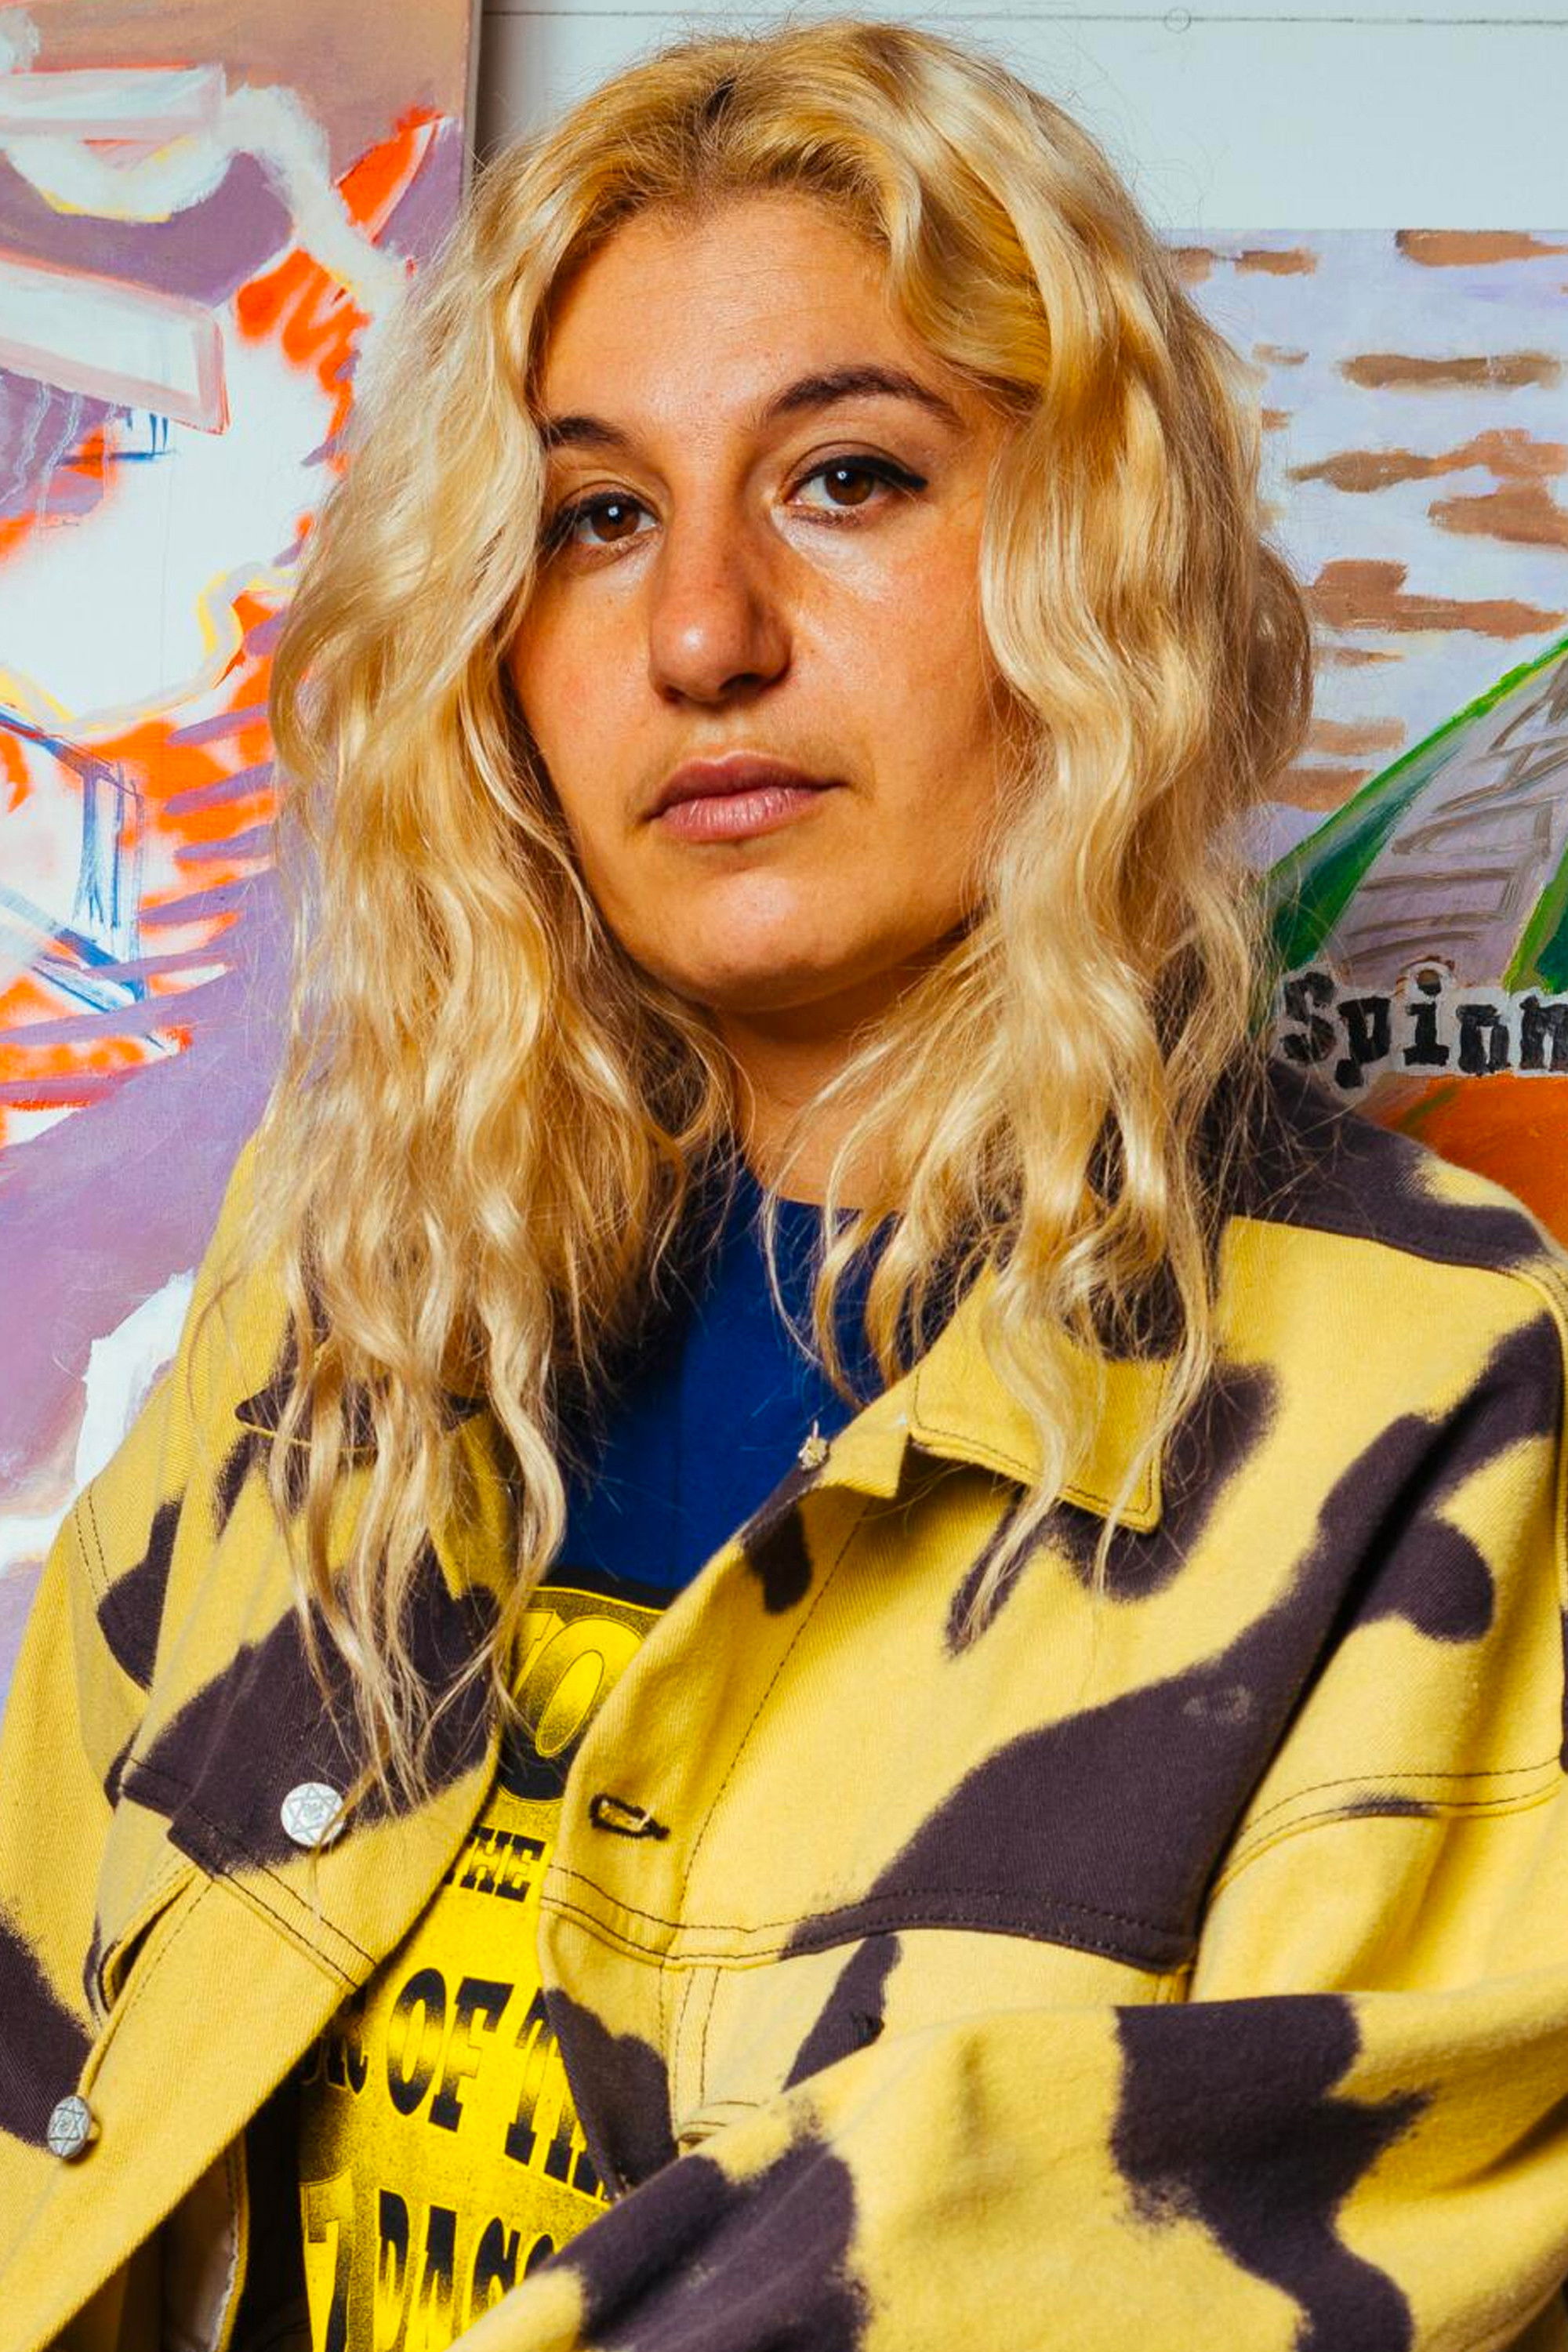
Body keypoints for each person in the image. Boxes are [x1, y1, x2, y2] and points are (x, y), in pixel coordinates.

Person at [5, 18, 1568, 2352]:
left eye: (847, 479)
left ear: (1096, 563)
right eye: (595, 518)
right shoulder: (339, 1298)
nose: (704, 634)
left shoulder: (1441, 1386)